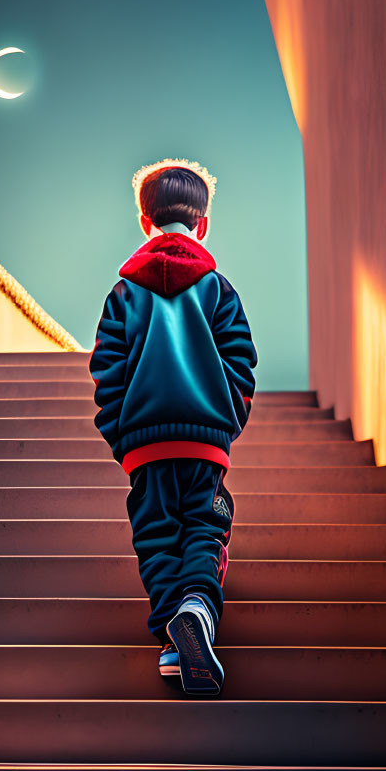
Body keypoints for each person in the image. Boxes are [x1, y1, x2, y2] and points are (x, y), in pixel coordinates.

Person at [88, 158, 258, 696]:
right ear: (202, 224)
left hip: (144, 442)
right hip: (204, 440)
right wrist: (226, 418)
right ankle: (197, 611)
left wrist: (120, 432)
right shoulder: (218, 289)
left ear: (146, 221)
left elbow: (106, 367)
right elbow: (241, 358)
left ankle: (171, 640)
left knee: (157, 535)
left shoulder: (123, 294)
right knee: (205, 528)